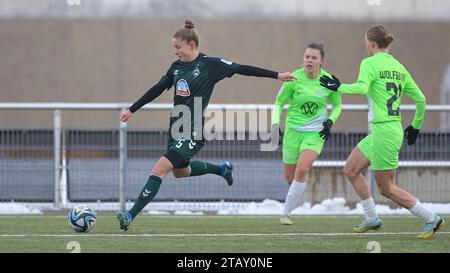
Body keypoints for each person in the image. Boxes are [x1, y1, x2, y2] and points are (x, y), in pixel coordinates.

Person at [116, 20, 296, 231]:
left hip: (194, 130)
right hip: (177, 128)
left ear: (191, 45)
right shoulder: (176, 68)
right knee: (179, 172)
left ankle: (130, 215)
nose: (175, 52)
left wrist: (277, 75)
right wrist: (132, 109)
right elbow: (157, 89)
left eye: (177, 47)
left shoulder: (210, 64)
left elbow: (242, 68)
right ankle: (222, 169)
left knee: (160, 168)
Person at [320, 25, 444, 238]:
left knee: (387, 189)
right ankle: (371, 218)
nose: (365, 46)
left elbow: (360, 88)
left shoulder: (369, 63)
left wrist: (338, 87)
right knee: (351, 169)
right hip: (385, 130)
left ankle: (431, 219)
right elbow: (421, 99)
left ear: (372, 43)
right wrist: (415, 126)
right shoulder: (398, 66)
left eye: (365, 43)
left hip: (384, 132)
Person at [271, 43, 342, 225]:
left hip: (315, 133)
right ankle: (296, 196)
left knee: (302, 168)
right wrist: (274, 124)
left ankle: (285, 214)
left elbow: (337, 106)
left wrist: (330, 121)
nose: (309, 60)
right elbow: (279, 103)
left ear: (322, 61)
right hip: (293, 133)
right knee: (290, 177)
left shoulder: (329, 81)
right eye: (307, 57)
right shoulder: (293, 78)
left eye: (313, 57)